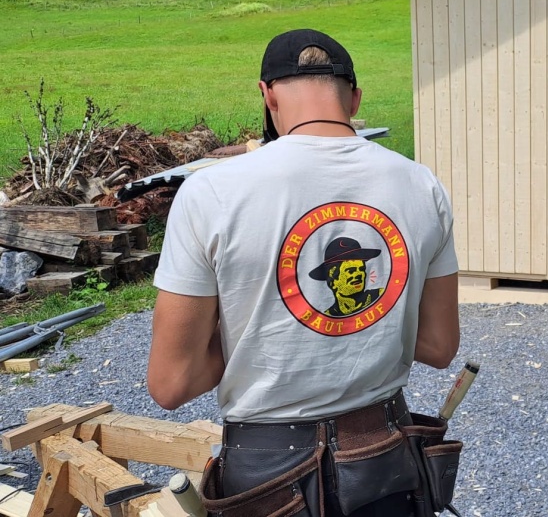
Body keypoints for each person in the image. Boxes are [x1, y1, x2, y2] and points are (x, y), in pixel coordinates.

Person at [147, 28, 460, 516]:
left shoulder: (211, 194)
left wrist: (258, 329)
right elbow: (440, 347)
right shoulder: (421, 185)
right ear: (354, 99)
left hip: (268, 479)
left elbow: (172, 383)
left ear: (267, 94)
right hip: (385, 462)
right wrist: (370, 326)